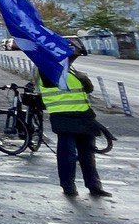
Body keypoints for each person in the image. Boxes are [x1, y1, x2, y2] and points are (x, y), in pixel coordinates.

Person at [39, 46, 111, 198]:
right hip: (64, 118)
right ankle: (68, 186)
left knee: (87, 155)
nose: (73, 58)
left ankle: (94, 185)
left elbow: (88, 88)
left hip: (84, 117)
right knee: (68, 155)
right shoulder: (49, 71)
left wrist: (81, 76)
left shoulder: (72, 71)